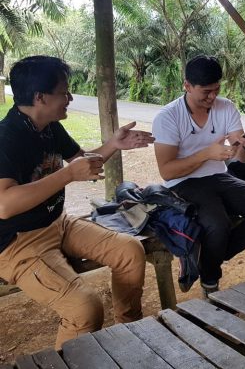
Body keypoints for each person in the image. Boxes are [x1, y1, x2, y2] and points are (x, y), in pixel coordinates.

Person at [0, 56, 155, 349]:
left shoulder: (49, 127)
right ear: (40, 97)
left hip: (58, 223)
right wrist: (67, 175)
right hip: (17, 242)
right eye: (64, 92)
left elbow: (82, 161)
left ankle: (129, 335)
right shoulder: (6, 137)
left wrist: (114, 144)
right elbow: (5, 204)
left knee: (130, 251)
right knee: (85, 308)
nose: (70, 98)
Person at [152, 55, 245, 296]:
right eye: (206, 91)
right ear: (187, 86)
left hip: (219, 177)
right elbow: (167, 171)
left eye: (216, 89)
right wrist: (205, 154)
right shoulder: (168, 116)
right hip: (183, 183)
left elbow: (240, 158)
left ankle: (207, 257)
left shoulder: (226, 107)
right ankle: (210, 280)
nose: (212, 97)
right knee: (217, 224)